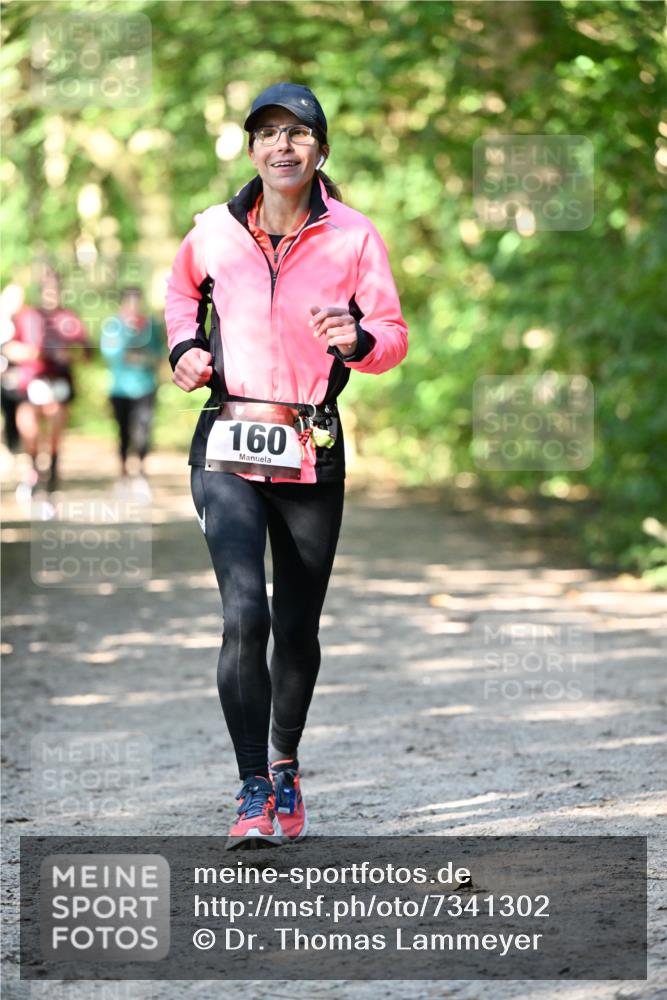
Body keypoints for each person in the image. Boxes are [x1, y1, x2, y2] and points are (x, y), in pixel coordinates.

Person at [165, 82, 408, 849]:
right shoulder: (211, 231)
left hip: (310, 444)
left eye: (297, 134)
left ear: (319, 150)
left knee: (297, 626)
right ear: (251, 150)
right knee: (246, 612)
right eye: (267, 133)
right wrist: (184, 349)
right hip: (226, 440)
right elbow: (179, 296)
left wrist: (358, 342)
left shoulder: (355, 238)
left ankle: (284, 764)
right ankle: (250, 791)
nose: (282, 145)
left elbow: (394, 336)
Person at [9, 267, 91, 496]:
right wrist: (30, 353)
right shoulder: (27, 317)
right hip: (30, 380)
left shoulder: (69, 319)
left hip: (58, 380)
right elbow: (9, 347)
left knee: (55, 426)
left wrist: (69, 354)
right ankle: (33, 469)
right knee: (29, 429)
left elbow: (87, 352)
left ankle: (53, 472)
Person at [101, 286, 162, 484]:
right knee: (124, 430)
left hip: (146, 387)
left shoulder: (151, 325)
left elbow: (160, 353)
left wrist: (146, 358)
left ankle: (141, 468)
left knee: (143, 429)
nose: (134, 306)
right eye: (130, 302)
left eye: (137, 302)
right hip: (120, 388)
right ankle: (123, 467)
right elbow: (111, 353)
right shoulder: (113, 325)